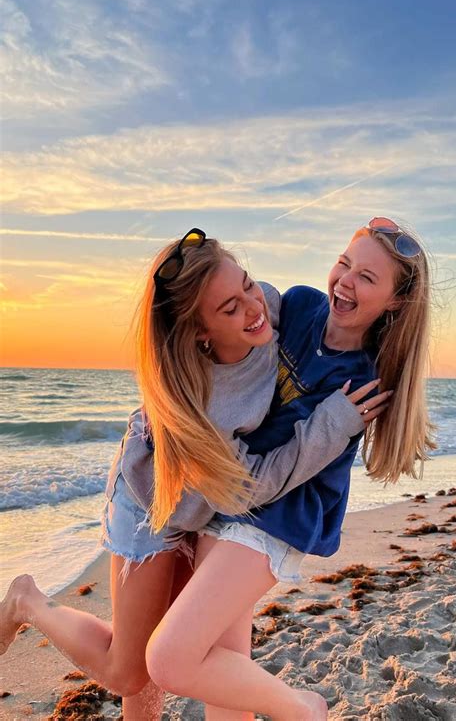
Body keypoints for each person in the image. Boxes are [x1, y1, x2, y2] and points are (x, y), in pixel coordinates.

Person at [0, 230, 386, 720]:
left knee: (182, 651)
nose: (253, 308)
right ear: (201, 332)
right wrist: (331, 426)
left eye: (247, 285)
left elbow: (317, 334)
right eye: (230, 308)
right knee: (129, 672)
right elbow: (253, 484)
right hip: (152, 503)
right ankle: (27, 601)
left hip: (203, 510)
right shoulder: (208, 405)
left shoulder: (269, 309)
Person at [145, 218, 435, 721]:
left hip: (280, 514)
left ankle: (305, 708)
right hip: (232, 496)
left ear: (394, 301)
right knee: (226, 676)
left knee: (168, 659)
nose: (346, 280)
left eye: (367, 278)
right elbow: (243, 308)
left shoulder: (364, 381)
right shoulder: (299, 304)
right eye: (345, 263)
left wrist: (334, 423)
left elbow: (302, 463)